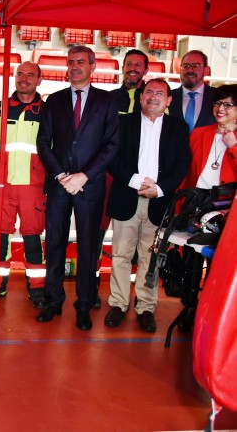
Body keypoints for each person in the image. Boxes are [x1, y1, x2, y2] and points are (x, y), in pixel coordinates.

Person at [35, 46, 118, 330]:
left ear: (93, 66)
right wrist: (61, 176)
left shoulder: (107, 101)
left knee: (87, 246)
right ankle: (53, 301)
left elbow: (111, 145)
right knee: (55, 244)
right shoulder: (54, 100)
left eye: (81, 62)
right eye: (70, 62)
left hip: (89, 186)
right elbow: (43, 142)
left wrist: (83, 176)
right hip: (59, 185)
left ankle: (84, 305)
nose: (74, 67)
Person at [104, 79, 190, 333]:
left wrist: (160, 189)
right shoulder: (123, 123)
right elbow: (112, 158)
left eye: (159, 93)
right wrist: (135, 182)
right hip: (126, 196)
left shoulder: (178, 128)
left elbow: (181, 165)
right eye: (149, 92)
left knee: (150, 257)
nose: (153, 97)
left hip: (159, 200)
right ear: (140, 97)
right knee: (120, 254)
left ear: (169, 100)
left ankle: (146, 307)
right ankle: (118, 303)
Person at [0, 61, 46, 307]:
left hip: (34, 185)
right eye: (20, 74)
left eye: (30, 75)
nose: (24, 79)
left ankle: (37, 289)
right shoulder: (1, 108)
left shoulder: (47, 111)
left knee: (32, 238)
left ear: (39, 80)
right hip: (4, 185)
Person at [95, 49, 151, 307]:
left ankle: (137, 297)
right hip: (105, 175)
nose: (133, 69)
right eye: (129, 64)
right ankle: (92, 284)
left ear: (145, 70)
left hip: (137, 180)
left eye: (138, 65)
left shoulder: (151, 99)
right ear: (122, 67)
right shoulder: (107, 99)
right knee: (96, 232)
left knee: (138, 241)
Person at [181, 84, 237, 190]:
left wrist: (234, 146)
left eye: (228, 105)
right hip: (194, 199)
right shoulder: (198, 133)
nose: (220, 108)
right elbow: (184, 169)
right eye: (218, 103)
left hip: (226, 203)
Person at [168, 50, 216, 133]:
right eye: (186, 66)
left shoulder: (217, 97)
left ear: (206, 70)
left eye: (196, 66)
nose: (190, 70)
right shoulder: (168, 96)